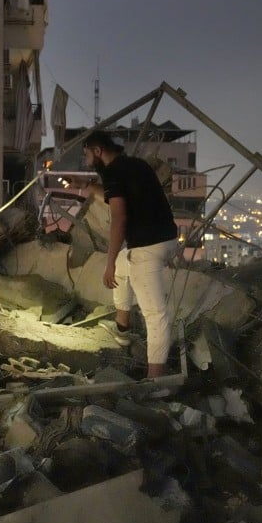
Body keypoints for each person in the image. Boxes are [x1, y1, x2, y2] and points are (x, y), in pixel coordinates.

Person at [82, 130, 178, 378]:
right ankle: (122, 330)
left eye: (87, 155)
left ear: (98, 151)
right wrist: (89, 187)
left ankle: (155, 380)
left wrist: (109, 263)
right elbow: (118, 195)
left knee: (155, 315)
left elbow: (119, 217)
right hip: (166, 239)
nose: (87, 161)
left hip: (147, 247)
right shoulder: (134, 165)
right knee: (123, 266)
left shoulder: (114, 173)